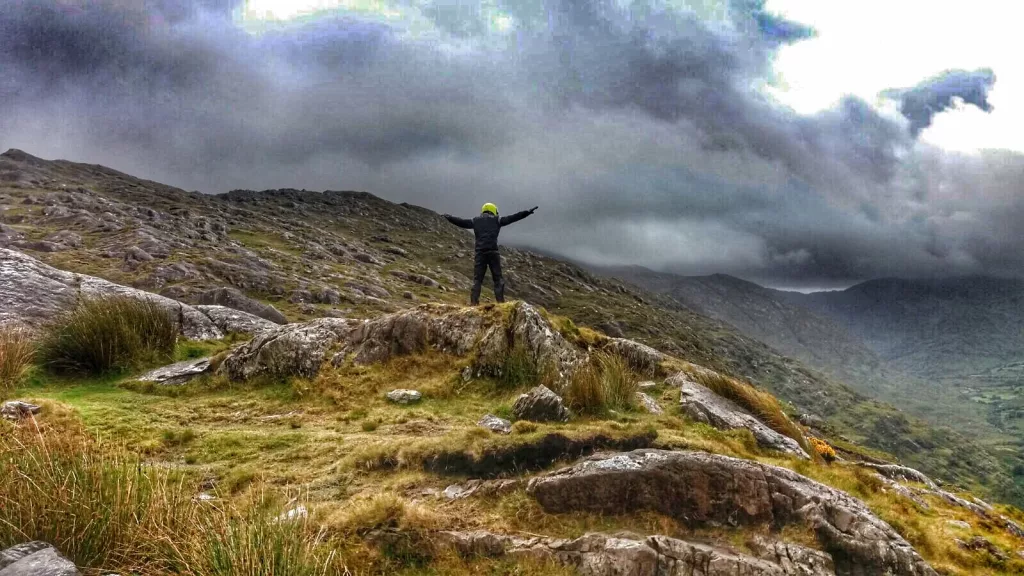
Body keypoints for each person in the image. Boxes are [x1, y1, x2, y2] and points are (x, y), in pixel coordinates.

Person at [443, 203, 538, 305]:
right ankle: (500, 304)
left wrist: (449, 218)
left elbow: (461, 222)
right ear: (494, 210)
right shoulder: (497, 220)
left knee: (477, 280)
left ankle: (474, 303)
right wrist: (526, 213)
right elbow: (512, 218)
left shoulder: (475, 221)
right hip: (493, 253)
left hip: (480, 254)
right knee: (498, 279)